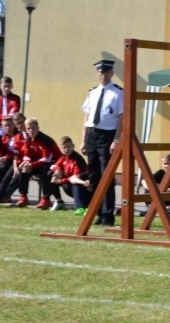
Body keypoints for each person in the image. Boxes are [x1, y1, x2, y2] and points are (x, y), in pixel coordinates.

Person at [0, 117, 62, 209]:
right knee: (22, 170)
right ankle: (19, 197)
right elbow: (26, 154)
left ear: (38, 128)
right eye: (29, 128)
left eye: (33, 128)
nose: (31, 130)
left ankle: (46, 199)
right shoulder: (26, 139)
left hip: (53, 163)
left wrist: (30, 164)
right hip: (35, 162)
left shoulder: (45, 140)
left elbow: (46, 159)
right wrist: (27, 163)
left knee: (45, 169)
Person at [81, 59, 124, 226]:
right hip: (92, 134)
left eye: (106, 72)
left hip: (107, 136)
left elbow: (121, 118)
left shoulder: (118, 92)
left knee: (107, 176)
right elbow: (87, 117)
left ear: (111, 73)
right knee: (94, 176)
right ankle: (97, 212)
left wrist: (116, 140)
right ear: (97, 73)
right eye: (100, 72)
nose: (103, 75)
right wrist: (83, 139)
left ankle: (108, 214)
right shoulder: (92, 92)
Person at [50, 136, 92, 215]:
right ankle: (59, 201)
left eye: (68, 147)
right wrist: (57, 170)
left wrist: (60, 181)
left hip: (83, 187)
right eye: (64, 147)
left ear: (73, 146)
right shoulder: (64, 157)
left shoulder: (77, 159)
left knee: (75, 184)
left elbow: (76, 178)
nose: (66, 149)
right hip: (70, 183)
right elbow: (54, 166)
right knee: (51, 175)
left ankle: (81, 208)